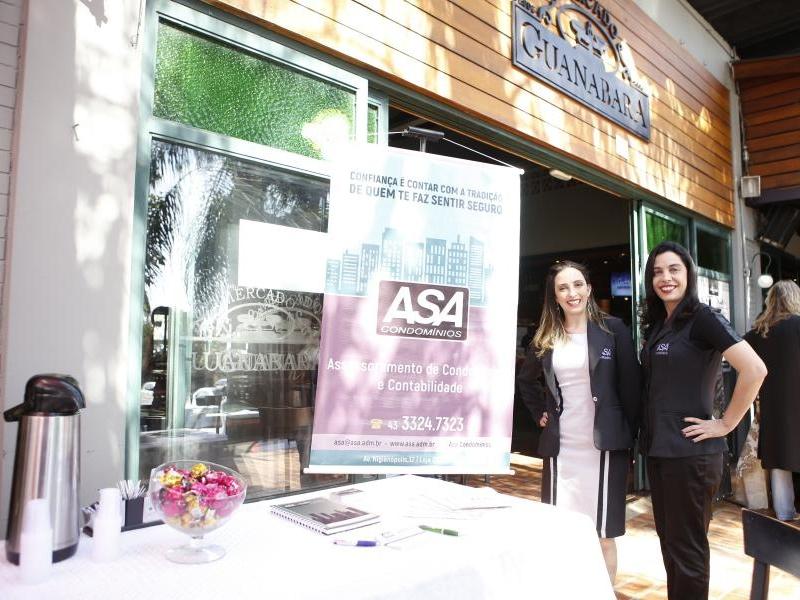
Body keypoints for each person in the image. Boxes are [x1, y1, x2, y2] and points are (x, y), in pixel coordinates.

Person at [640, 241, 767, 599]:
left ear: (689, 274)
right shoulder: (660, 325)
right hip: (661, 451)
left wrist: (726, 423)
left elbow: (754, 369)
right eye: (657, 272)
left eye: (674, 269)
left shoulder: (703, 318)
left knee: (687, 552)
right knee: (671, 545)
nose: (665, 278)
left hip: (691, 454)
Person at [517, 261, 640, 583]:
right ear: (555, 296)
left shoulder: (613, 330)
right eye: (563, 288)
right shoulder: (547, 336)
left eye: (577, 285)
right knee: (561, 530)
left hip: (604, 448)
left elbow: (631, 388)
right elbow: (526, 380)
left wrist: (629, 437)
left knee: (603, 534)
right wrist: (539, 412)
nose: (572, 293)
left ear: (588, 288)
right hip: (562, 449)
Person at [744, 280, 800, 521]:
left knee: (780, 461)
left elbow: (736, 356)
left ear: (771, 301)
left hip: (774, 407)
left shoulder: (759, 332)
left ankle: (784, 514)